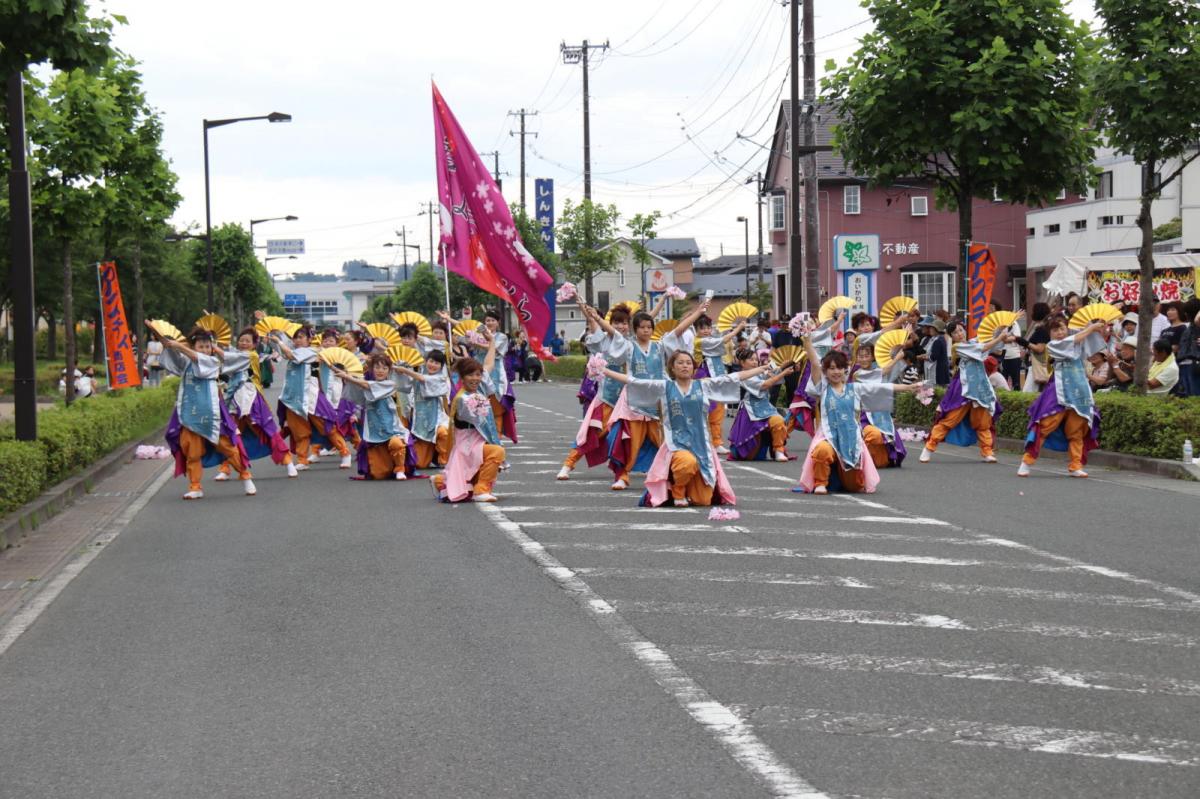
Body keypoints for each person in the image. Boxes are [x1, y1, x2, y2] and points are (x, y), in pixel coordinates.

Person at [601, 350, 778, 507]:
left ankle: (688, 488)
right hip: (677, 444)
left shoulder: (703, 385)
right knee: (687, 463)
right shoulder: (665, 387)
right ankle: (677, 490)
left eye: (688, 363)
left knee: (704, 500)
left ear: (693, 367)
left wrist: (761, 369)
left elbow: (733, 377)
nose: (685, 366)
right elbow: (634, 381)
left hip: (701, 445)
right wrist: (604, 370)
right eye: (680, 363)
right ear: (672, 367)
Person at [795, 339, 924, 495]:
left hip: (851, 439)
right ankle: (821, 482)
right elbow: (815, 364)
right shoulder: (822, 388)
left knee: (855, 487)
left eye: (840, 368)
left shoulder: (855, 388)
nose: (836, 372)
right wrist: (807, 340)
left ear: (845, 370)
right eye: (832, 368)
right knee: (821, 450)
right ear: (826, 371)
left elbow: (882, 388)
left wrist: (909, 387)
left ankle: (848, 478)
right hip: (827, 436)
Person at [155, 325, 255, 499]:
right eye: (201, 346)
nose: (205, 350)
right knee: (191, 452)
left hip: (212, 414)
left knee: (228, 447)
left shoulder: (212, 361)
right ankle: (195, 487)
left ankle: (245, 476)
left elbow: (195, 357)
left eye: (207, 346)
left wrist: (179, 346)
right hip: (189, 414)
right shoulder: (187, 363)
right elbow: (175, 361)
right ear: (194, 346)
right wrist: (166, 344)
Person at [920, 316, 1021, 464]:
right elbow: (984, 347)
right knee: (950, 419)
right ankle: (929, 448)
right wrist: (999, 337)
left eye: (961, 330)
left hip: (979, 387)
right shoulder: (957, 347)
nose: (959, 334)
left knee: (982, 422)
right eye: (955, 333)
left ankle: (987, 451)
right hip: (962, 387)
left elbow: (993, 345)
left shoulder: (974, 341)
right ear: (951, 337)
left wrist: (1005, 325)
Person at [1020, 316, 1108, 478]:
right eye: (1055, 330)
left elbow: (1092, 344)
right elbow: (1076, 339)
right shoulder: (1053, 345)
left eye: (1062, 328)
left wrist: (1096, 328)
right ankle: (1027, 461)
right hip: (1059, 391)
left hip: (1080, 390)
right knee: (1045, 425)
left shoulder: (1077, 340)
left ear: (1067, 329)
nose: (1059, 333)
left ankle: (1075, 465)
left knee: (1077, 431)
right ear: (1050, 334)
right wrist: (1089, 329)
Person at [558, 302, 634, 479]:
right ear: (610, 323)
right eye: (617, 322)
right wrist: (590, 315)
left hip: (629, 400)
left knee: (629, 437)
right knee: (591, 433)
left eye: (624, 323)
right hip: (606, 397)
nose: (621, 326)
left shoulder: (632, 344)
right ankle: (568, 464)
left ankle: (624, 473)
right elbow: (594, 328)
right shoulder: (603, 341)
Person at [433, 334, 506, 503]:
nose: (476, 378)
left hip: (477, 443)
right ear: (462, 377)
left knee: (466, 480)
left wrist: (491, 342)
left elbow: (489, 364)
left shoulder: (477, 389)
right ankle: (481, 490)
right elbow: (478, 419)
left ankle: (440, 481)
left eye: (478, 375)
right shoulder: (462, 399)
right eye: (471, 375)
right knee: (497, 452)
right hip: (466, 446)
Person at [267, 323, 350, 470]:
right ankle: (302, 459)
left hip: (311, 395)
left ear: (309, 339)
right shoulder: (294, 350)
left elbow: (289, 354)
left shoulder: (312, 351)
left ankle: (345, 453)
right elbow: (280, 351)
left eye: (301, 337)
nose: (297, 340)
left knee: (327, 426)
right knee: (299, 431)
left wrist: (279, 341)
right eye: (295, 338)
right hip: (292, 397)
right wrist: (272, 333)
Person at [216, 328, 296, 480]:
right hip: (233, 400)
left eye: (248, 341)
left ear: (254, 344)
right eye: (241, 340)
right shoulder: (236, 355)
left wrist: (214, 347)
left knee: (268, 431)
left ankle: (288, 461)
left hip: (251, 399)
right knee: (228, 434)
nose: (244, 343)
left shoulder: (251, 355)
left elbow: (228, 357)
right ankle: (225, 467)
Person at [606, 311, 667, 490]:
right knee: (630, 442)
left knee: (664, 441)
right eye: (642, 327)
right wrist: (594, 317)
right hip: (633, 403)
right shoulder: (629, 347)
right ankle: (622, 476)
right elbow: (614, 335)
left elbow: (678, 331)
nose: (646, 330)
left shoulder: (660, 347)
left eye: (649, 327)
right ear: (635, 329)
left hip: (655, 403)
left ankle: (670, 474)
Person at [334, 353, 412, 480]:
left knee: (396, 444)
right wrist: (341, 372)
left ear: (389, 370)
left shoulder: (390, 384)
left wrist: (349, 377)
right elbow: (359, 388)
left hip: (391, 428)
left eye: (384, 368)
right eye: (377, 367)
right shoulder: (367, 383)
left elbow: (366, 385)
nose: (380, 371)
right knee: (378, 474)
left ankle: (400, 468)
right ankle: (388, 466)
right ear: (372, 369)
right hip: (374, 428)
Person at [727, 347, 796, 462]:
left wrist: (785, 366)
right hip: (750, 413)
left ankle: (778, 451)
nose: (755, 362)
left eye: (756, 359)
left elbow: (771, 373)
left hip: (766, 408)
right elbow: (765, 384)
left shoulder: (759, 372)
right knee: (752, 454)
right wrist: (783, 372)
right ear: (742, 363)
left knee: (778, 421)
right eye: (751, 359)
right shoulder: (743, 376)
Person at [393, 349, 452, 470]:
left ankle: (444, 459)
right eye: (431, 361)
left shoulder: (441, 379)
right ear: (426, 361)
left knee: (444, 433)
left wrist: (406, 371)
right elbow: (403, 386)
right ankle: (431, 457)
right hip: (420, 422)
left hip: (438, 419)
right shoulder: (418, 376)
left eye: (437, 363)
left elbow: (424, 379)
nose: (433, 365)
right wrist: (400, 372)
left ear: (441, 366)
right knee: (420, 464)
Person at [1019, 302, 1052, 392]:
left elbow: (1040, 348)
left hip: (1037, 363)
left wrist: (1024, 342)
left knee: (1028, 392)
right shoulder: (1045, 327)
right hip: (1040, 363)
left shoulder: (1041, 329)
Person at [1178, 302, 1200, 397]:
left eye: (1187, 312)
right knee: (1188, 396)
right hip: (1183, 363)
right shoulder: (1189, 327)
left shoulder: (1197, 324)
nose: (1185, 314)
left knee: (1195, 395)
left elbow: (1197, 320)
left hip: (1195, 363)